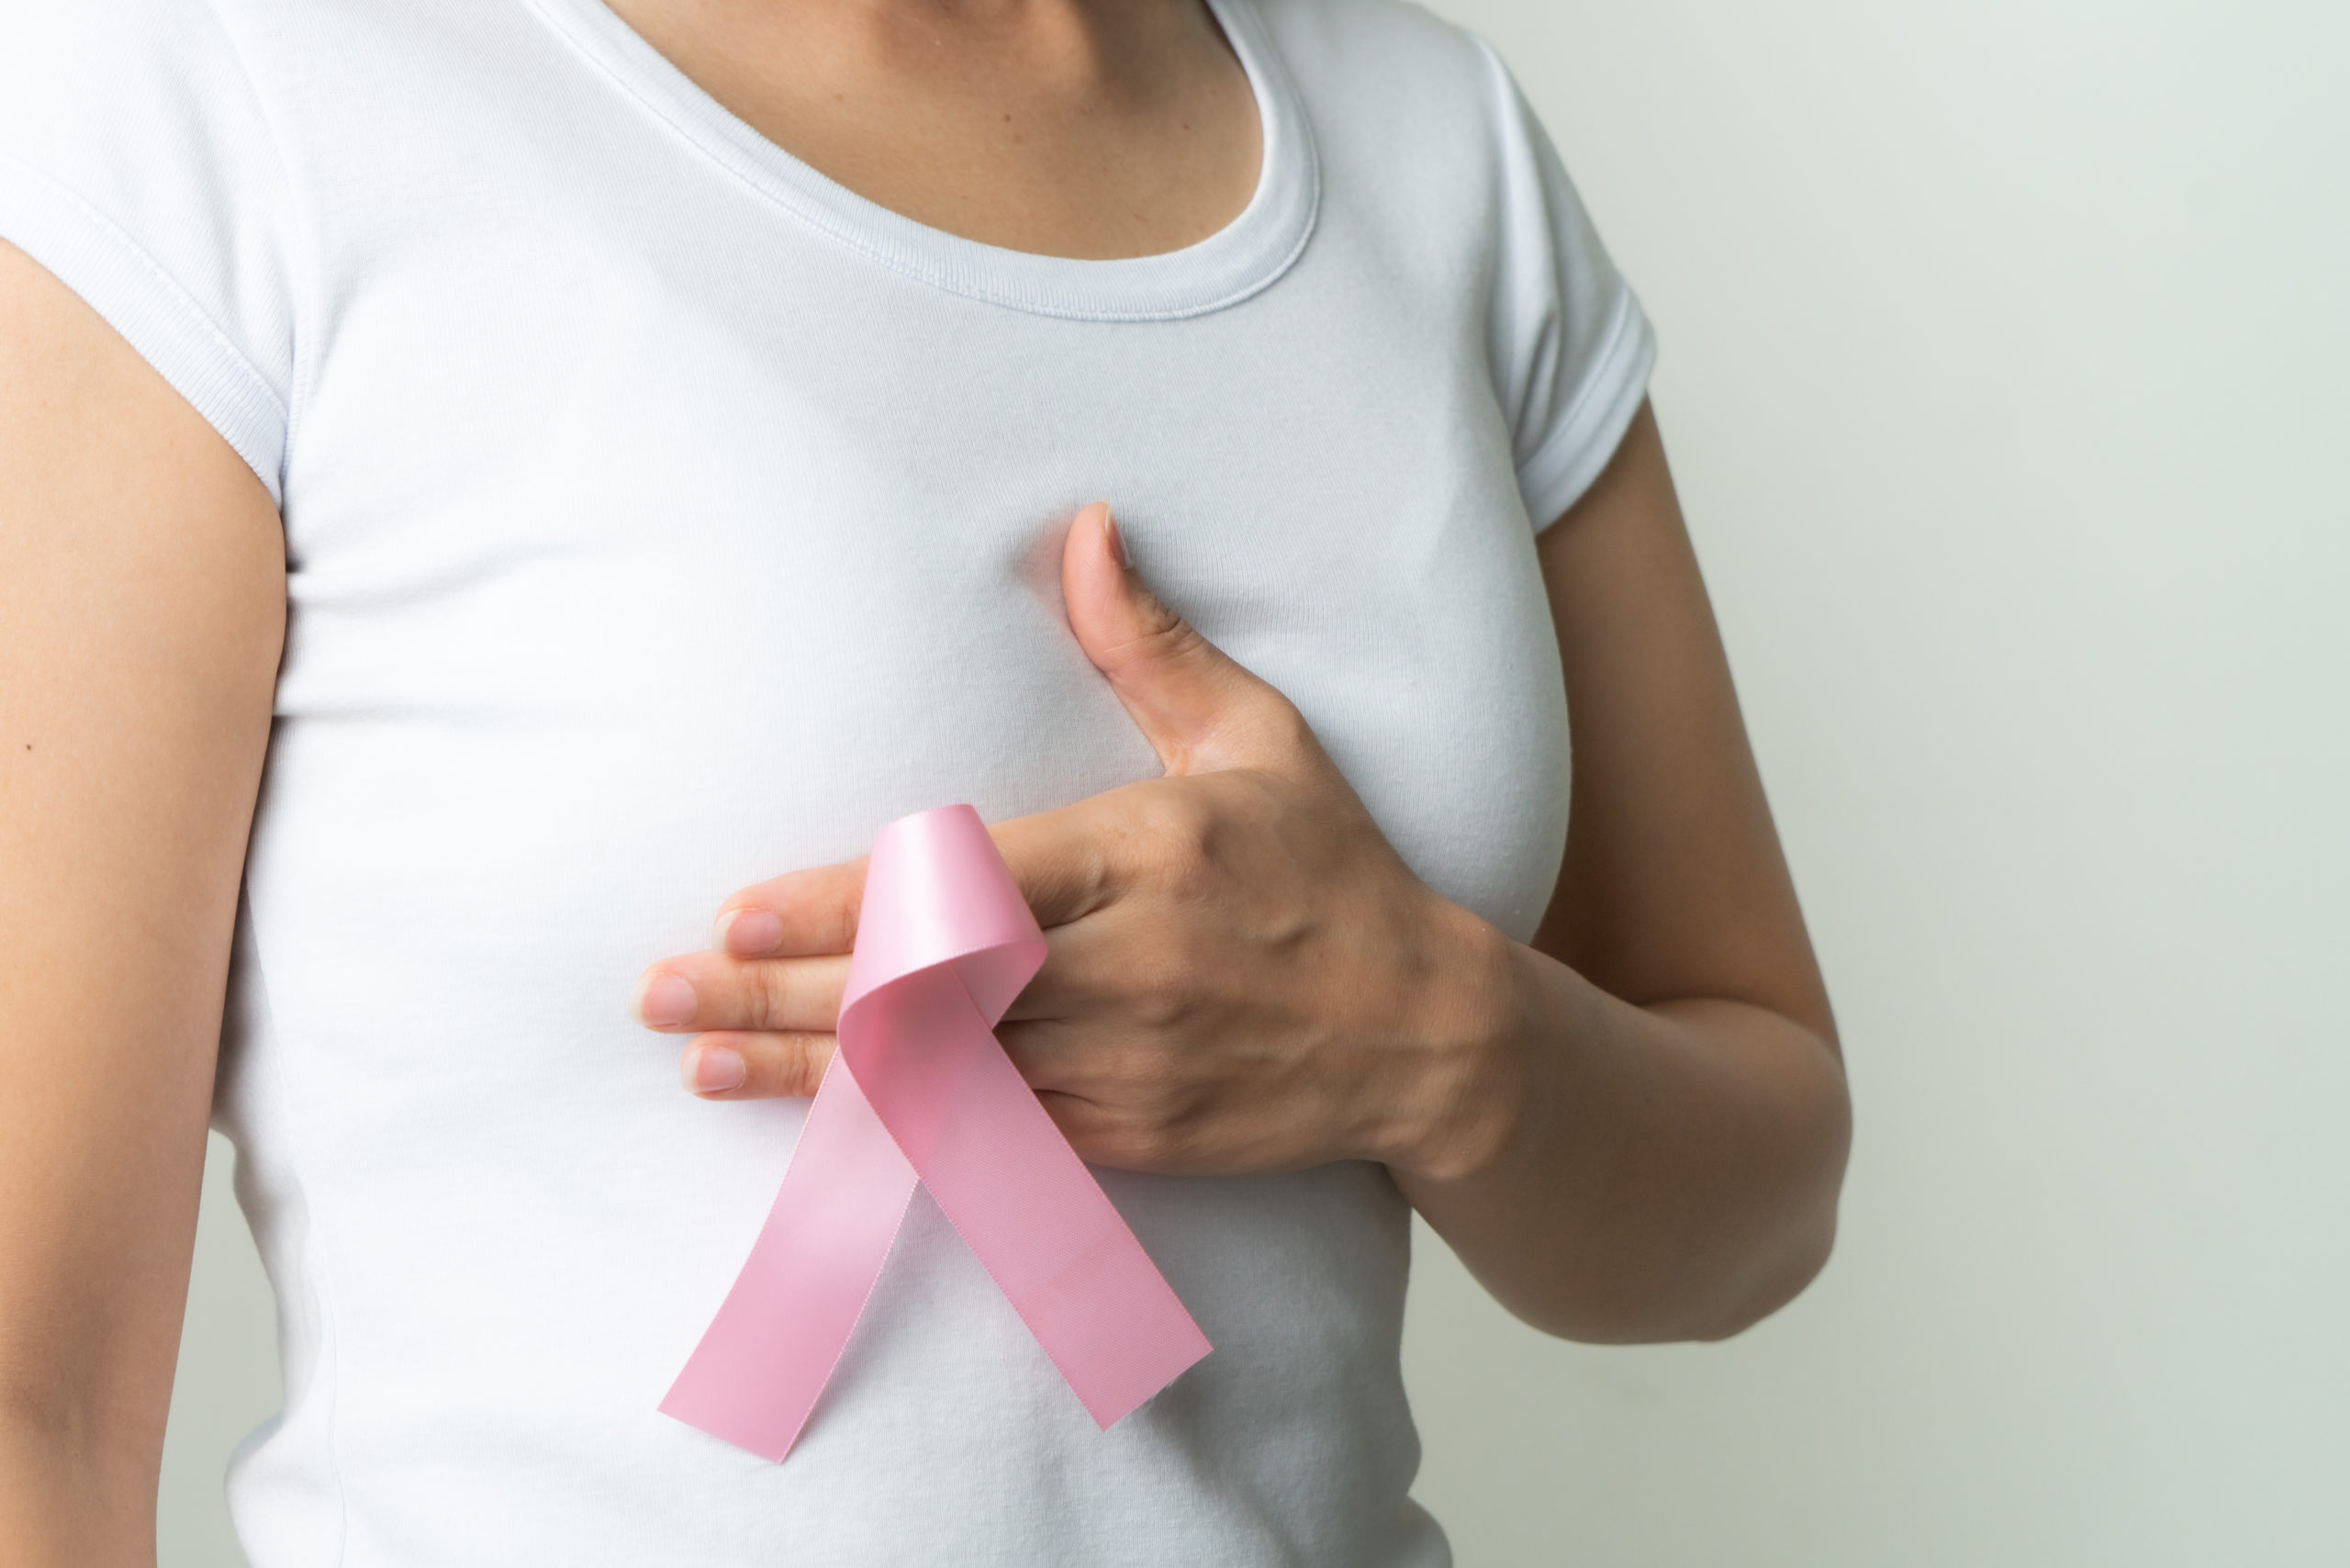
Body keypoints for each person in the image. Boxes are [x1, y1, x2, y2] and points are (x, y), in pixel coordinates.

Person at [0, 0, 1852, 1561]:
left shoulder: (1428, 137)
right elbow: (35, 1396)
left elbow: (1758, 1194)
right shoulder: (217, 90)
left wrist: (1443, 1041)